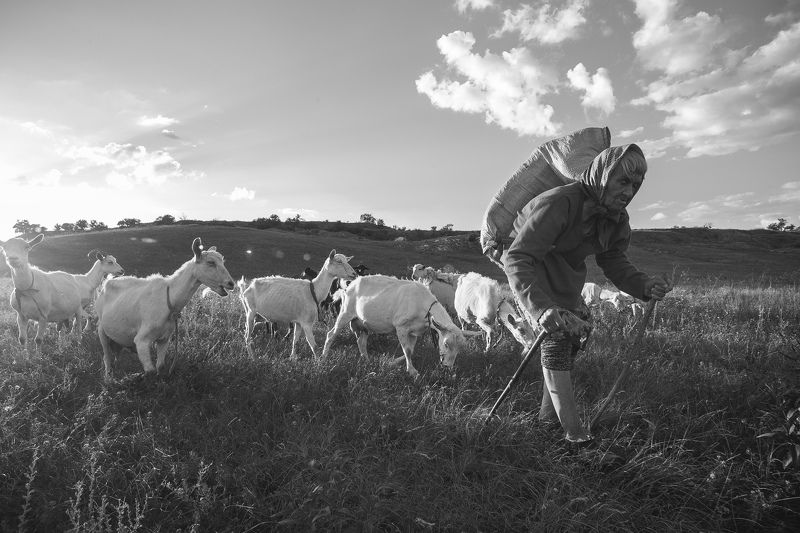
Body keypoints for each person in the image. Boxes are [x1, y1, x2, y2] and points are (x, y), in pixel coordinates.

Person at [503, 143, 671, 444]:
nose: (629, 191)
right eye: (623, 181)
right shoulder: (559, 203)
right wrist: (540, 308)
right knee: (556, 337)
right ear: (602, 175)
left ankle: (546, 420)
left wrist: (644, 285)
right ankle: (575, 435)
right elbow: (517, 258)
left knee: (577, 333)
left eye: (636, 185)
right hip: (532, 271)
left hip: (566, 276)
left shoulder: (616, 219)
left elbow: (614, 262)